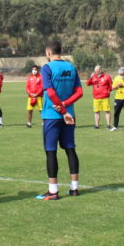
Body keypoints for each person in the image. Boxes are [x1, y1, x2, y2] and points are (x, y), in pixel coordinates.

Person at [36, 40, 83, 200]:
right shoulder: (71, 67)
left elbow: (50, 92)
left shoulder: (47, 68)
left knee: (51, 151)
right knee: (70, 149)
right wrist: (66, 106)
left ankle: (53, 191)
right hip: (69, 115)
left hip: (52, 115)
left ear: (48, 53)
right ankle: (74, 188)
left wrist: (61, 109)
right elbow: (79, 92)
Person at [87, 65, 113, 130]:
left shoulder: (107, 77)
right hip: (96, 97)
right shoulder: (93, 77)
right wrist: (90, 77)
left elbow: (111, 86)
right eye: (95, 70)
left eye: (97, 70)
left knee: (107, 111)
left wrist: (107, 92)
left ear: (100, 70)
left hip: (105, 97)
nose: (96, 71)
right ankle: (96, 125)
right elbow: (87, 84)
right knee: (96, 111)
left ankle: (108, 125)